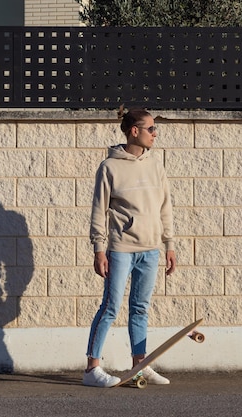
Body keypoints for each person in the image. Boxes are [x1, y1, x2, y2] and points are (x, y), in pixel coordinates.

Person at [82, 106, 177, 388]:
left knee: (140, 308)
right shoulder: (109, 167)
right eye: (150, 129)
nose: (155, 134)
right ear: (134, 131)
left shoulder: (156, 165)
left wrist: (169, 244)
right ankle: (92, 369)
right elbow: (99, 211)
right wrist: (99, 249)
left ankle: (140, 365)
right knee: (110, 307)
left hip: (151, 250)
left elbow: (165, 208)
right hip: (121, 249)